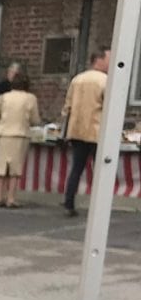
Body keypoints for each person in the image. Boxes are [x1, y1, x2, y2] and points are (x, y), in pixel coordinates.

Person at [61, 48, 110, 217]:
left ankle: (69, 202)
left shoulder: (77, 80)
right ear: (99, 60)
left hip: (77, 130)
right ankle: (99, 206)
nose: (110, 63)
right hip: (97, 131)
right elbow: (109, 105)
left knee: (77, 168)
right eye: (108, 59)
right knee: (101, 170)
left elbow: (67, 106)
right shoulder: (105, 81)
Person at [0, 73, 40, 209]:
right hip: (20, 135)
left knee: (1, 167)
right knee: (15, 168)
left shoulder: (3, 97)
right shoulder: (31, 98)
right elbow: (35, 120)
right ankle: (11, 198)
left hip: (3, 134)